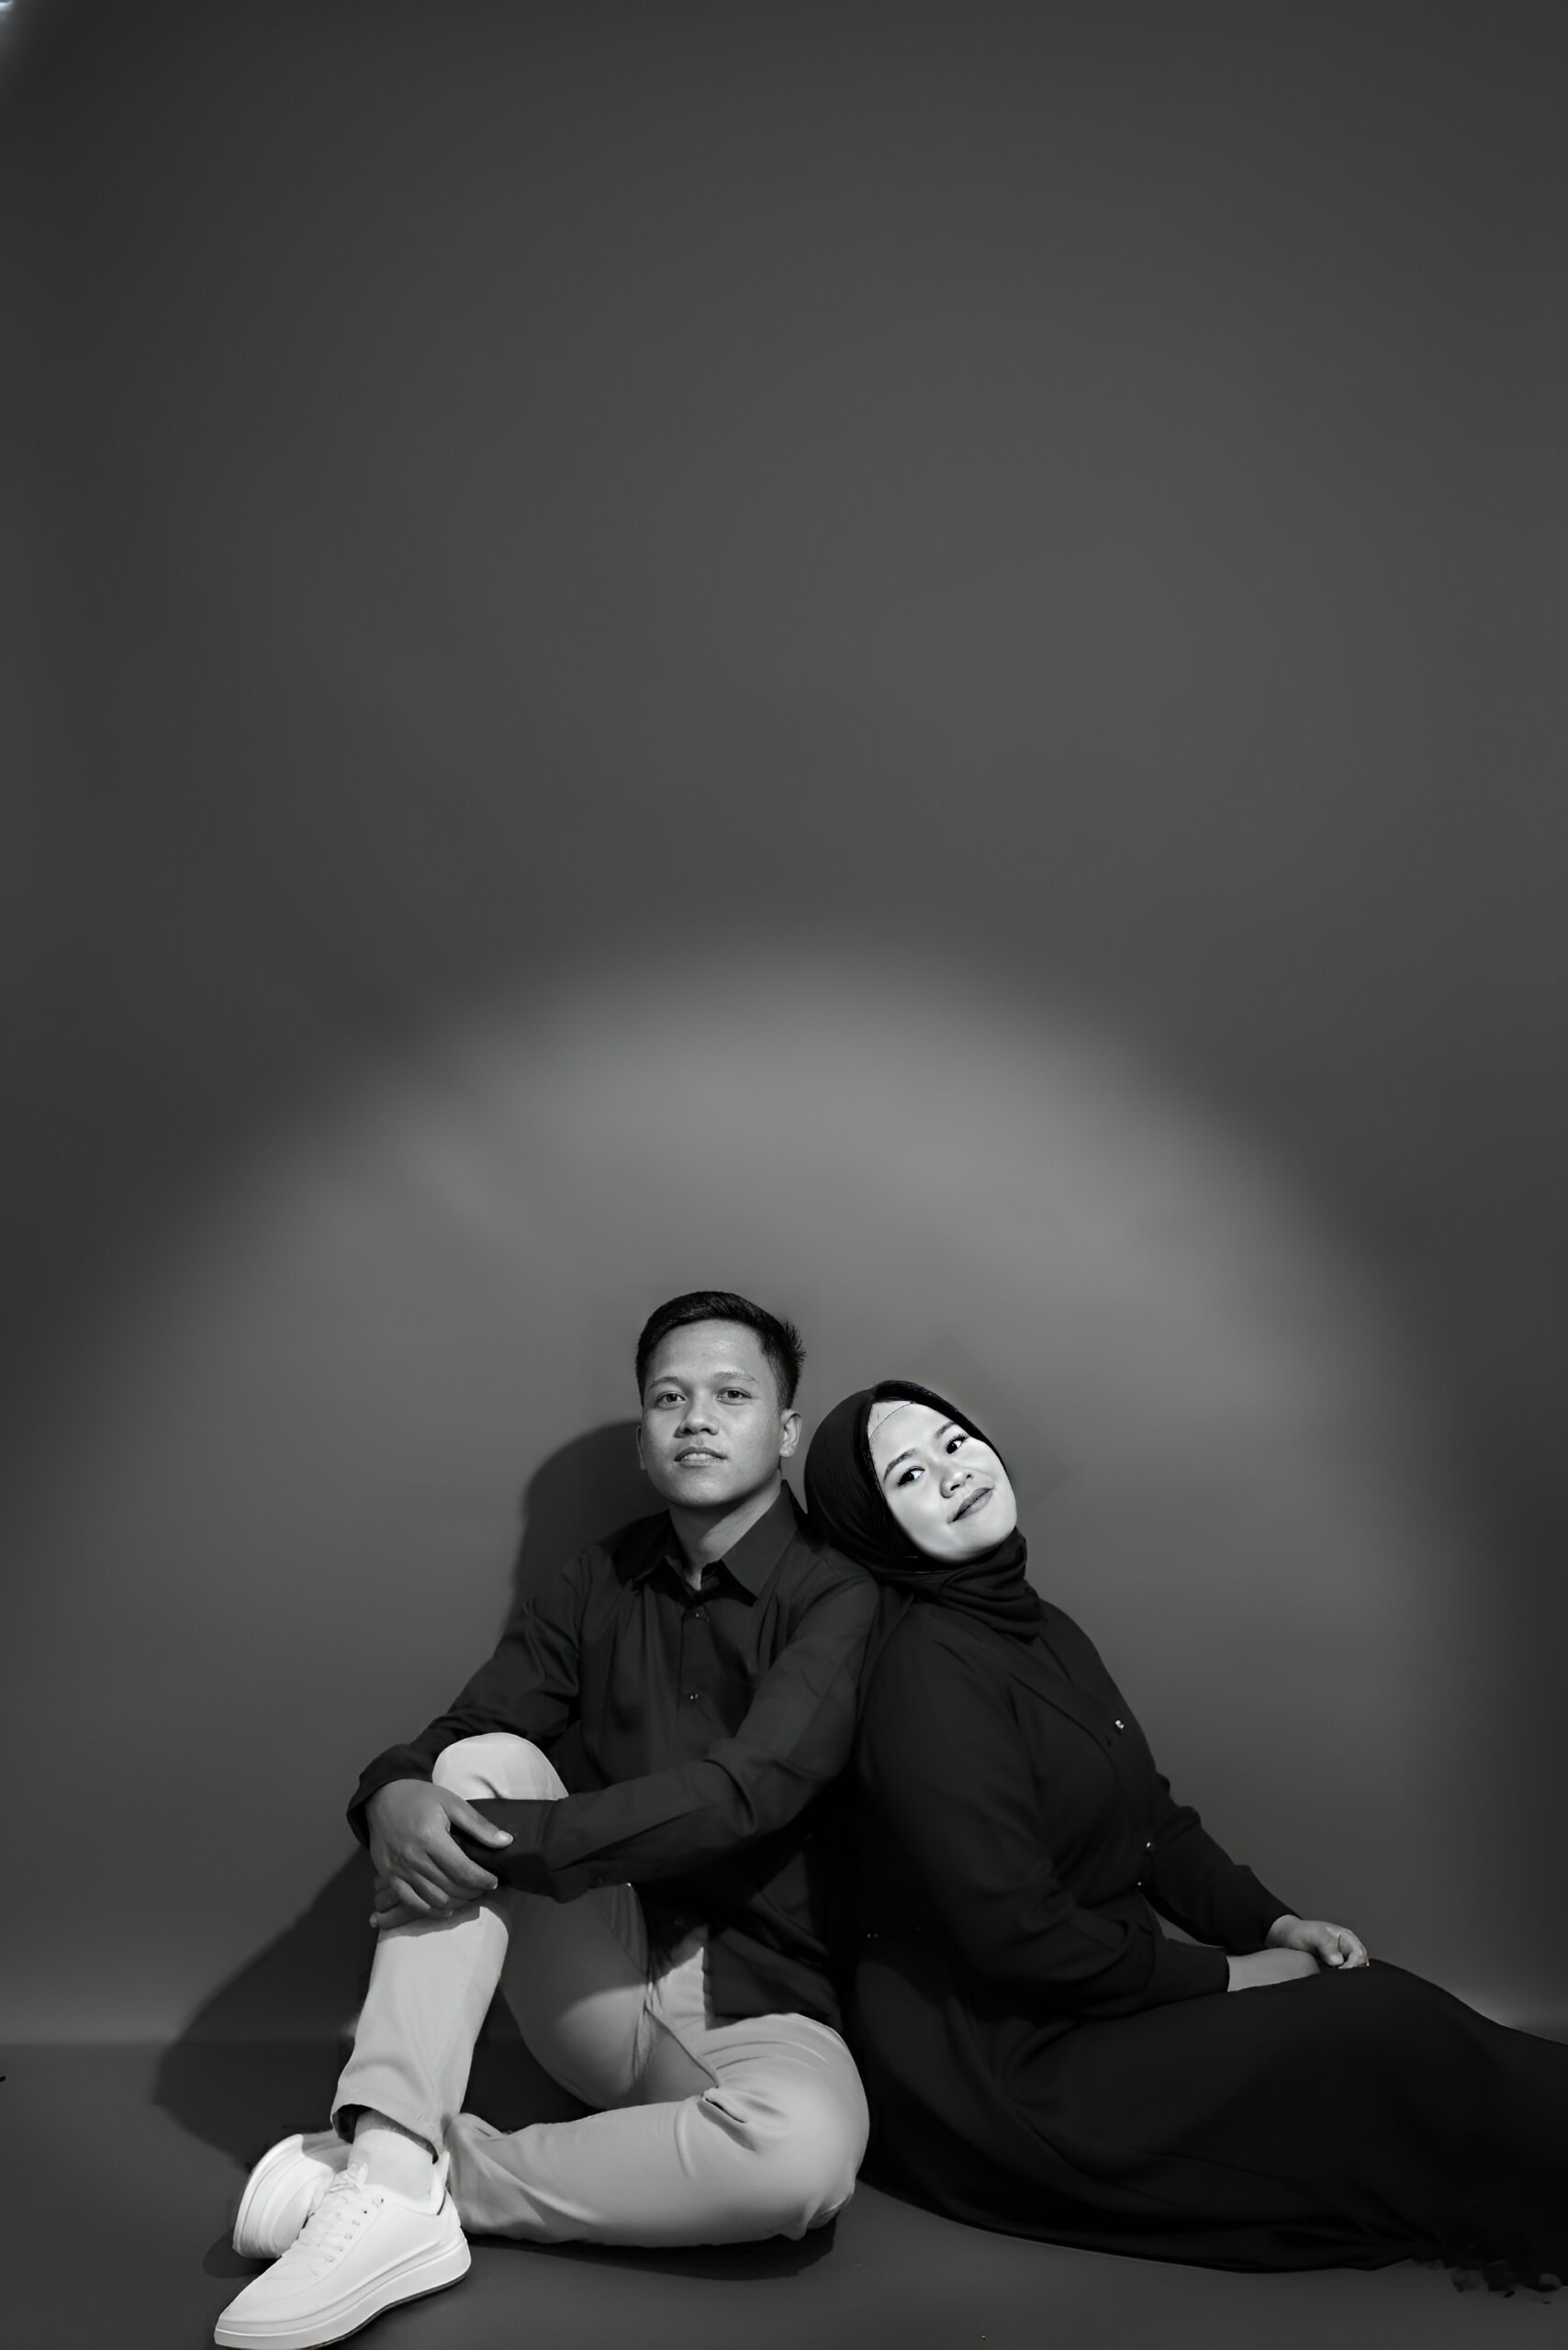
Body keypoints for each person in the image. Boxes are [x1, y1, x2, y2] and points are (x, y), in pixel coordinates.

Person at [215, 1292, 876, 2350]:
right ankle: (390, 2162)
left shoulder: (839, 1593)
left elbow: (745, 1791)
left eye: (730, 1395)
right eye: (668, 1398)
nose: (696, 1420)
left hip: (754, 2003)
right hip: (597, 1987)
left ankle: (417, 2175)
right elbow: (468, 1728)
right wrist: (389, 1793)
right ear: (645, 1435)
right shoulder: (597, 1578)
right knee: (475, 1764)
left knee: (801, 2165)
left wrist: (499, 1841)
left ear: (786, 1428)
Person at [803, 1378, 1568, 2283]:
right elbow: (1017, 1932)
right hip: (1007, 2062)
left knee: (1374, 2007)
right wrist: (1233, 1974)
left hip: (1095, 1995)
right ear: (873, 1528)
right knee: (1371, 2028)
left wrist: (1274, 1925)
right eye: (907, 1474)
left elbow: (1153, 1826)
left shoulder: (1041, 1627)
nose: (952, 1471)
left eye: (955, 1441)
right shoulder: (926, 1673)